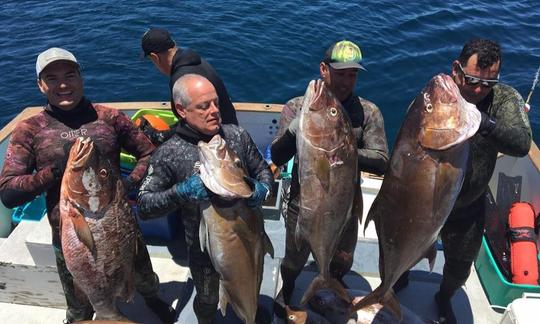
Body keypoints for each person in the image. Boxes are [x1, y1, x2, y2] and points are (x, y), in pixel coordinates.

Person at [0, 47, 175, 324]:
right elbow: (8, 192)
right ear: (40, 85)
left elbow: (149, 152)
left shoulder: (109, 117)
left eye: (70, 75)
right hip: (69, 236)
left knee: (144, 279)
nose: (63, 84)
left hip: (121, 227)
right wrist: (53, 172)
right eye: (52, 78)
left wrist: (131, 182)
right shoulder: (30, 130)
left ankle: (153, 300)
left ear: (81, 78)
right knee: (79, 306)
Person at [393, 39, 532, 324]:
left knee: (459, 268)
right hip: (423, 202)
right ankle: (397, 279)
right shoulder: (435, 98)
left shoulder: (503, 99)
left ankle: (443, 298)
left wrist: (484, 122)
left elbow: (521, 143)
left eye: (488, 83)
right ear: (456, 69)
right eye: (472, 81)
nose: (480, 90)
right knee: (403, 248)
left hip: (467, 206)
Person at [137, 74, 273, 324]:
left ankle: (249, 312)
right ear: (181, 110)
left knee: (252, 281)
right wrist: (182, 192)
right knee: (208, 299)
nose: (214, 112)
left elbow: (262, 169)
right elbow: (144, 205)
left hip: (250, 235)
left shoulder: (236, 136)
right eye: (203, 106)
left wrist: (263, 187)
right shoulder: (168, 153)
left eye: (216, 103)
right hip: (203, 250)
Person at [270, 40, 389, 318]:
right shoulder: (298, 106)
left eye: (353, 74)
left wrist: (342, 150)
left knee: (343, 257)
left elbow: (382, 160)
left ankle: (329, 281)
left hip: (346, 203)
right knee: (294, 257)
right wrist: (293, 130)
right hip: (305, 200)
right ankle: (287, 290)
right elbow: (277, 155)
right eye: (340, 73)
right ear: (324, 69)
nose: (347, 81)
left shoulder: (368, 112)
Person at [140, 27, 238, 145]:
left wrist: (155, 136)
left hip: (218, 143)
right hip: (233, 132)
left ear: (155, 57)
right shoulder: (196, 60)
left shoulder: (181, 79)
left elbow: (193, 128)